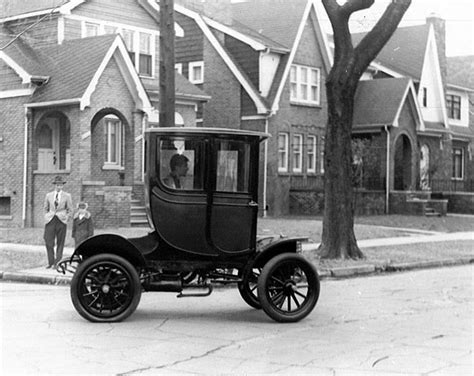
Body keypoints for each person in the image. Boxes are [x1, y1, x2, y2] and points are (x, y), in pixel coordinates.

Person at [43, 176, 73, 268]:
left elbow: (70, 209)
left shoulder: (67, 196)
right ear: (54, 185)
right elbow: (45, 208)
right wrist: (46, 216)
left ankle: (58, 262)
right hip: (50, 220)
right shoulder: (49, 195)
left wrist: (66, 218)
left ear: (62, 186)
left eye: (60, 185)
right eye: (57, 185)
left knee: (60, 242)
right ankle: (51, 262)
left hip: (61, 221)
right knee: (48, 241)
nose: (59, 187)